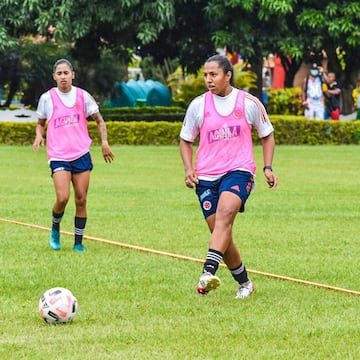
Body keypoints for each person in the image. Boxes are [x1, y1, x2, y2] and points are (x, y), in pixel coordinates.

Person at [179, 54, 278, 299]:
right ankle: (245, 283)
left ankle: (206, 273)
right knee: (220, 233)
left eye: (214, 75)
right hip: (206, 177)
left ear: (227, 75)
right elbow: (185, 140)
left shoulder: (249, 102)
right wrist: (188, 168)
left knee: (224, 215)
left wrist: (267, 166)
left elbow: (267, 135)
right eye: (205, 75)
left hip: (239, 171)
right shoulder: (198, 105)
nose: (208, 80)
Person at [33, 58, 114, 252]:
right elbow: (40, 123)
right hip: (58, 155)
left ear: (72, 75)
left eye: (66, 73)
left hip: (80, 154)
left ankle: (78, 242)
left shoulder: (83, 96)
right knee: (62, 198)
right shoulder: (47, 98)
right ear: (54, 77)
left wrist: (104, 142)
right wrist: (38, 136)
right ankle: (55, 229)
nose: (63, 77)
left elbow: (100, 121)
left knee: (81, 199)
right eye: (59, 74)